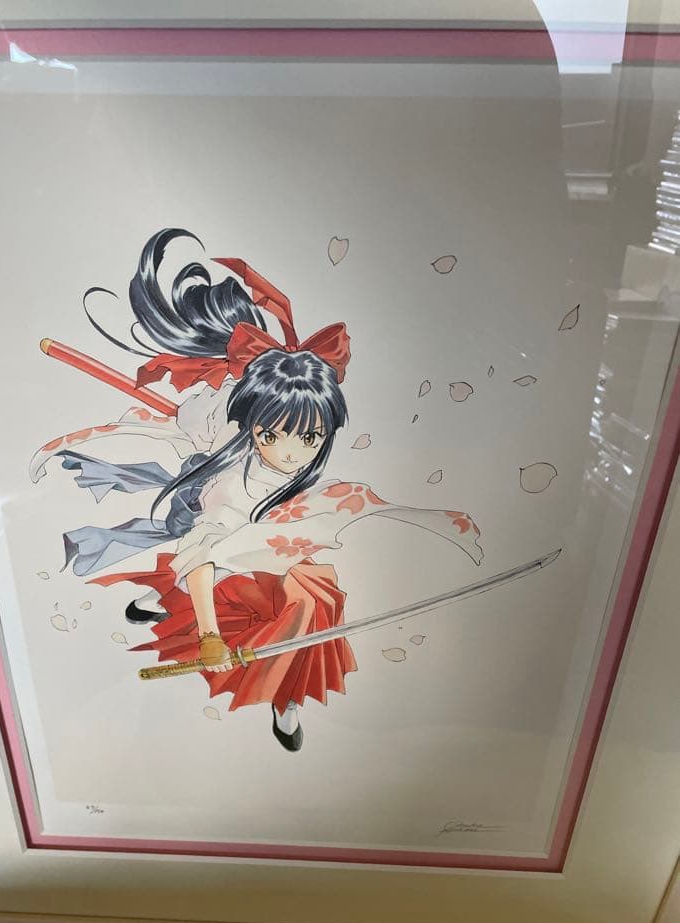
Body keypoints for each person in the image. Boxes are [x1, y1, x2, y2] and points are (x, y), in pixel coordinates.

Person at [31, 228, 483, 751]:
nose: (292, 452)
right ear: (253, 427)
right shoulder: (232, 481)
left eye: (310, 437)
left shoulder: (302, 471)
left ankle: (285, 696)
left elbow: (356, 500)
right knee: (267, 586)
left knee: (315, 599)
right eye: (274, 435)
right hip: (229, 550)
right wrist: (209, 636)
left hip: (270, 549)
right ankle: (188, 615)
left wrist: (441, 525)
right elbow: (203, 554)